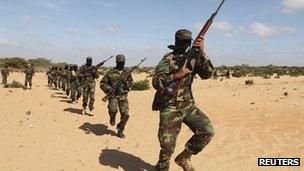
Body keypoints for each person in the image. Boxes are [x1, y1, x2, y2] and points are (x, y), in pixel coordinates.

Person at [152, 29, 215, 171]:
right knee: (167, 146)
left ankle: (184, 157)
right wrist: (175, 76)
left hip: (188, 105)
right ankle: (162, 167)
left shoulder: (194, 58)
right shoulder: (168, 59)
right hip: (170, 107)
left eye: (188, 41)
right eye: (182, 41)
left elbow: (208, 74)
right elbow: (156, 82)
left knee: (207, 131)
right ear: (176, 42)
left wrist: (202, 53)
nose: (185, 44)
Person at [100, 54, 133, 138]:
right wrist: (108, 89)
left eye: (123, 62)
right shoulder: (110, 72)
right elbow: (102, 83)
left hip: (123, 96)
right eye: (120, 62)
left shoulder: (127, 73)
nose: (122, 64)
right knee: (113, 110)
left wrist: (126, 83)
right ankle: (112, 116)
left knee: (125, 114)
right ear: (116, 62)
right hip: (113, 95)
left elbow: (131, 84)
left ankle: (120, 129)